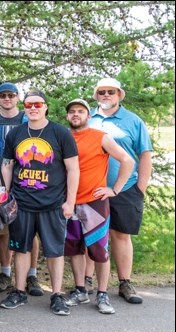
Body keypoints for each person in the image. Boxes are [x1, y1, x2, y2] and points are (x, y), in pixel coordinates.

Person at [0, 90, 79, 316]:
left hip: (52, 203)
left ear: (45, 106)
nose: (33, 108)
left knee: (54, 251)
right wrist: (7, 192)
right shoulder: (16, 134)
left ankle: (56, 295)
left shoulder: (60, 133)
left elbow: (73, 169)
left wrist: (70, 202)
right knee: (21, 248)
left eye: (37, 104)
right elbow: (7, 164)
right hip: (22, 203)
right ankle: (20, 292)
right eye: (28, 104)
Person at [64, 98, 133, 314]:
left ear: (88, 116)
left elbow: (127, 160)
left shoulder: (100, 137)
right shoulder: (63, 137)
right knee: (74, 249)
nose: (76, 114)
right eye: (72, 111)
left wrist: (115, 189)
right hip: (70, 202)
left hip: (95, 203)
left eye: (80, 111)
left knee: (99, 251)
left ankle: (102, 294)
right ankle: (81, 290)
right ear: (68, 116)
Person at [88, 77, 153, 304]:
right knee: (92, 235)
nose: (106, 95)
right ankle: (86, 282)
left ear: (119, 95)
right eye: (102, 92)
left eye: (111, 92)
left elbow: (144, 155)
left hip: (125, 189)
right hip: (92, 190)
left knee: (121, 235)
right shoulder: (88, 120)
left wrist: (140, 188)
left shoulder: (133, 121)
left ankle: (125, 282)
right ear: (96, 96)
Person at [0, 82, 42, 296]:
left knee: (31, 230)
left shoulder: (27, 119)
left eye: (11, 95)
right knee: (3, 229)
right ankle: (5, 272)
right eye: (3, 95)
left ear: (17, 98)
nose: (7, 99)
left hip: (26, 180)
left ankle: (32, 274)